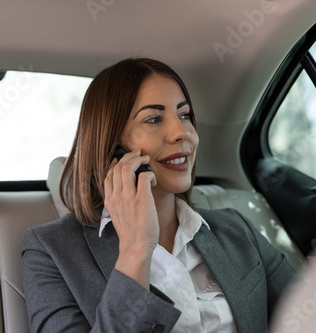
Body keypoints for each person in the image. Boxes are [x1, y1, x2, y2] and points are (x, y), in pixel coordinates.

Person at [21, 58, 297, 333]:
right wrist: (135, 250)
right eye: (153, 119)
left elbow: (314, 313)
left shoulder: (236, 229)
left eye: (185, 115)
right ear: (112, 146)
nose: (182, 132)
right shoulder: (50, 250)